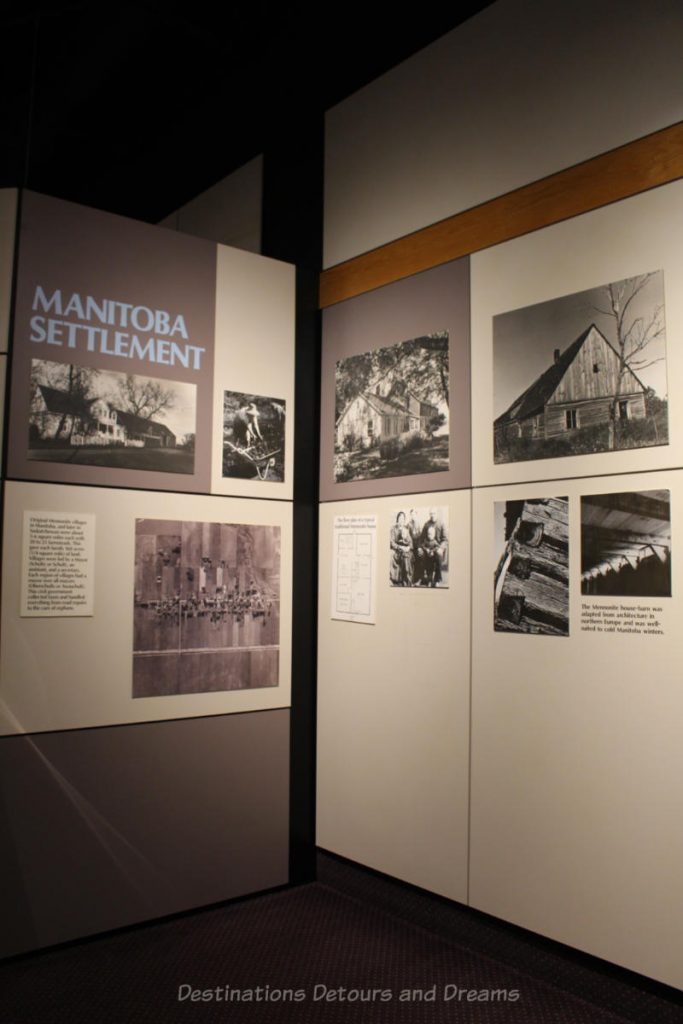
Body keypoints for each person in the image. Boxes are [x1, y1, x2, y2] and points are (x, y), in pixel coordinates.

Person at [415, 508, 448, 585]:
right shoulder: (427, 524)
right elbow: (421, 538)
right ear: (429, 514)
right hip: (427, 547)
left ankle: (437, 580)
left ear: (436, 514)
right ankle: (423, 578)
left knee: (438, 555)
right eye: (431, 514)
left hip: (437, 548)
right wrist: (420, 548)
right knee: (420, 554)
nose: (432, 515)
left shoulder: (441, 523)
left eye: (434, 513)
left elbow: (445, 539)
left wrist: (441, 548)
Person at [389, 511, 414, 586]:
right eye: (400, 519)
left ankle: (406, 579)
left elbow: (410, 542)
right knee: (391, 554)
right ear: (397, 519)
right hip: (396, 550)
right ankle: (394, 579)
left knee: (407, 556)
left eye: (403, 519)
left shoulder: (406, 529)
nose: (401, 520)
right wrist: (399, 547)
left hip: (405, 550)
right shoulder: (393, 529)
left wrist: (408, 548)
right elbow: (391, 542)